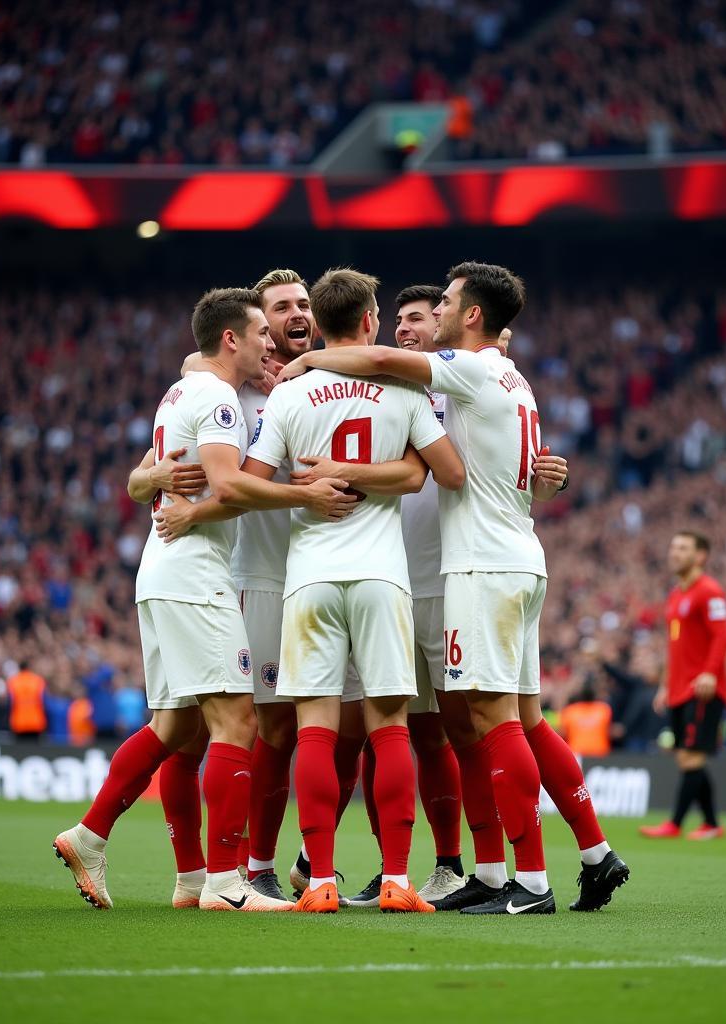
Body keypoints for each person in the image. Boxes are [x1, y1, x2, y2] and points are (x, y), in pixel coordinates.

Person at [277, 261, 629, 915]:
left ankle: (530, 882)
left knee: (488, 723)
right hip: (507, 559)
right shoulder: (508, 376)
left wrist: (309, 365)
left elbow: (389, 370)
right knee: (496, 720)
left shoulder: (466, 370)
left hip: (474, 570)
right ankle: (501, 871)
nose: (433, 312)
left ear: (470, 314)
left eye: (444, 302)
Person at [53, 287, 356, 912]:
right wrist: (309, 494)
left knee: (174, 725)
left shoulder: (182, 389)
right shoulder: (218, 394)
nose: (270, 342)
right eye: (260, 332)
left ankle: (97, 837)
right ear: (232, 339)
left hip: (164, 571)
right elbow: (226, 484)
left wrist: (158, 478)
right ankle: (226, 882)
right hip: (199, 577)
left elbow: (154, 474)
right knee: (236, 721)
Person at [145, 270, 433, 906]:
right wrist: (186, 504)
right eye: (281, 308)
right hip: (260, 576)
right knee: (256, 728)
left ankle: (310, 859)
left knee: (333, 725)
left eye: (305, 304)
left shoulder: (292, 387)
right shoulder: (239, 386)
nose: (296, 314)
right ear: (256, 328)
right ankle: (245, 865)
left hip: (309, 575)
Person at [246, 268, 466, 913]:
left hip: (307, 577)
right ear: (371, 322)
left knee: (312, 728)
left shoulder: (288, 395)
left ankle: (318, 883)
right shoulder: (400, 390)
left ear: (317, 327)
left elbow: (254, 481)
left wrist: (309, 483)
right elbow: (439, 472)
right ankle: (398, 878)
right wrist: (385, 473)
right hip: (382, 576)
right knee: (390, 726)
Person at [641, 531, 726, 840]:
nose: (674, 553)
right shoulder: (676, 594)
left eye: (682, 548)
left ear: (700, 556)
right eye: (673, 547)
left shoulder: (710, 591)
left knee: (692, 757)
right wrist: (666, 684)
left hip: (703, 688)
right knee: (686, 757)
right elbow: (674, 645)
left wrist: (709, 673)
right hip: (679, 689)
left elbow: (722, 636)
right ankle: (712, 823)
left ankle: (675, 823)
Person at [7, 661, 47, 741]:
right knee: (34, 750)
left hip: (19, 722)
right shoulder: (38, 680)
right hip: (36, 722)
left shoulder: (13, 681)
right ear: (29, 668)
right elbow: (43, 701)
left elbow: (10, 702)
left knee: (20, 750)